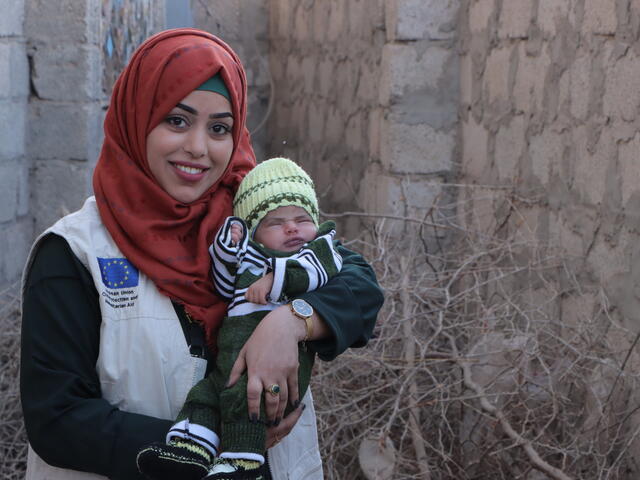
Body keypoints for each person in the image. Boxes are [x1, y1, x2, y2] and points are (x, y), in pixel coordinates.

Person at [19, 28, 384, 480]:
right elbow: (56, 420)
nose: (197, 147)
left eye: (218, 128)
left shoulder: (252, 225)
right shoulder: (75, 254)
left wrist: (292, 322)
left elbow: (360, 284)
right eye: (176, 120)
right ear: (137, 119)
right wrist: (216, 448)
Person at [138, 157, 346, 480]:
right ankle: (188, 451)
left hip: (277, 369)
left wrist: (274, 280)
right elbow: (222, 284)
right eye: (276, 222)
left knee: (245, 401)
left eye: (302, 218)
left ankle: (241, 464)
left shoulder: (316, 249)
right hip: (231, 358)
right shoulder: (251, 256)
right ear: (256, 233)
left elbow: (313, 272)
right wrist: (230, 243)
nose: (292, 228)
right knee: (206, 394)